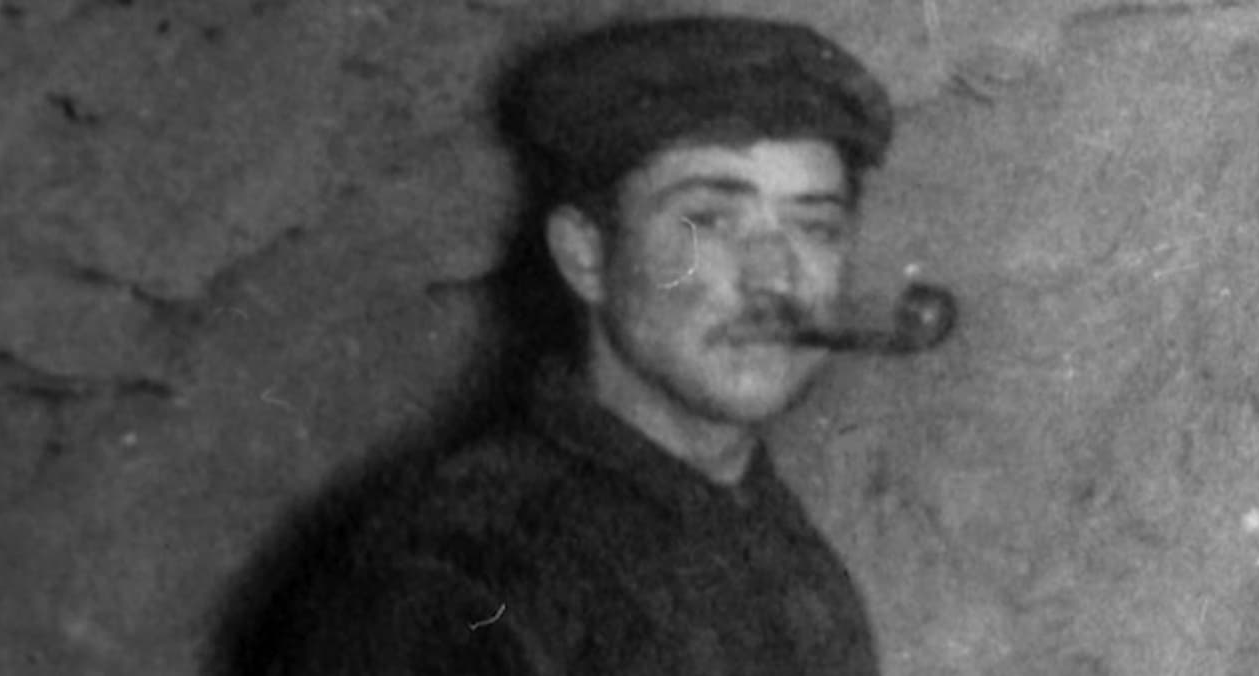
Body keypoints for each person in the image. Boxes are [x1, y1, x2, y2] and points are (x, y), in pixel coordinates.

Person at [206, 14, 896, 675]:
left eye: (816, 228)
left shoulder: (784, 552)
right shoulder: (453, 572)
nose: (775, 276)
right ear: (585, 255)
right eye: (709, 221)